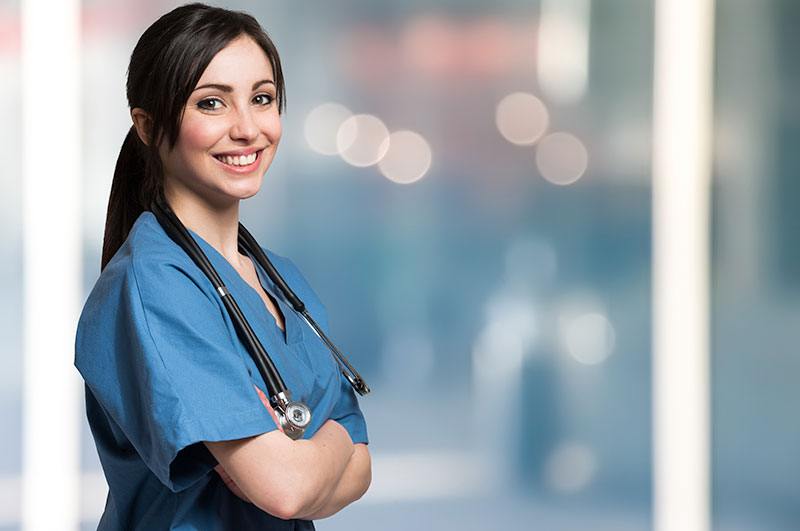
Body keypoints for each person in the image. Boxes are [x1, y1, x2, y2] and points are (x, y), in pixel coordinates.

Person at [74, 4, 370, 529]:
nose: (247, 128)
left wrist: (318, 454)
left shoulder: (280, 279)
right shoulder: (154, 286)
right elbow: (286, 489)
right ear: (146, 126)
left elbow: (361, 472)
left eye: (262, 99)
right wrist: (332, 443)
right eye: (211, 103)